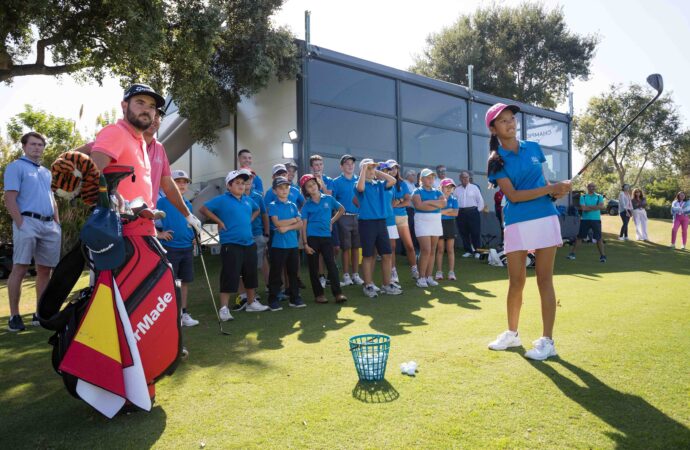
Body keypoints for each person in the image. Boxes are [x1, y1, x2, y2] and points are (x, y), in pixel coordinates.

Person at [484, 102, 571, 361]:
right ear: (493, 129)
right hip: (516, 221)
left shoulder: (533, 148)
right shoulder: (495, 161)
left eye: (512, 118)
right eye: (503, 121)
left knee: (545, 279)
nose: (510, 123)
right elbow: (513, 195)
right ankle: (512, 334)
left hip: (545, 217)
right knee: (516, 281)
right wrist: (549, 189)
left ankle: (547, 341)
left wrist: (556, 190)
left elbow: (542, 182)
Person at [4, 132, 61, 332]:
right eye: (33, 144)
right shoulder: (15, 167)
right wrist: (21, 224)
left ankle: (40, 314)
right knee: (20, 267)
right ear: (24, 146)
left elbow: (52, 199)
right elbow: (9, 199)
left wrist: (57, 223)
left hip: (49, 226)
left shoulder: (46, 172)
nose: (37, 147)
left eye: (40, 144)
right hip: (27, 222)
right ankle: (14, 316)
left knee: (46, 270)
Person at [199, 169, 269, 321]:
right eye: (237, 183)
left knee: (250, 274)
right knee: (230, 276)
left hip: (249, 243)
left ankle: (251, 303)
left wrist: (250, 219)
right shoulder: (222, 199)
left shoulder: (248, 200)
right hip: (230, 244)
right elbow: (203, 209)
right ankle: (224, 309)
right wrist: (218, 221)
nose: (241, 186)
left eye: (243, 183)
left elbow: (257, 210)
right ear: (228, 186)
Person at [156, 170, 199, 327]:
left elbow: (189, 224)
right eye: (178, 181)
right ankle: (171, 315)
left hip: (187, 248)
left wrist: (194, 236)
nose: (181, 184)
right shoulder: (162, 202)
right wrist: (159, 233)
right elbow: (148, 221)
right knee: (171, 283)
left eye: (184, 182)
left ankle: (183, 313)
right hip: (171, 248)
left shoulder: (188, 204)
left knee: (184, 282)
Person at [355, 159, 402, 297]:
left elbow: (392, 180)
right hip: (366, 224)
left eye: (372, 168)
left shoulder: (380, 184)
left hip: (381, 223)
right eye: (368, 168)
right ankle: (368, 285)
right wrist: (364, 169)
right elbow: (361, 188)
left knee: (387, 254)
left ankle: (386, 284)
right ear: (362, 171)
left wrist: (375, 170)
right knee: (368, 255)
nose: (371, 171)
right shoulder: (358, 184)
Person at [300, 174, 347, 303]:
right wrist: (305, 244)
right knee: (313, 268)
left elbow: (342, 209)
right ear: (306, 191)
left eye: (314, 184)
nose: (312, 187)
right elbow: (303, 226)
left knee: (331, 265)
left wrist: (331, 222)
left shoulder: (329, 199)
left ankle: (338, 294)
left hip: (326, 237)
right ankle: (319, 295)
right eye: (309, 186)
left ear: (318, 184)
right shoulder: (306, 206)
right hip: (312, 239)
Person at [266, 176, 306, 310]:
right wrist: (294, 220)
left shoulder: (293, 205)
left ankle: (295, 298)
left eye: (286, 187)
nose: (284, 190)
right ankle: (273, 299)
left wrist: (287, 227)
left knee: (293, 273)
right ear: (274, 190)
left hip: (292, 245)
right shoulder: (272, 205)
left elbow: (300, 224)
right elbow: (277, 223)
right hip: (278, 246)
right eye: (280, 188)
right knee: (276, 273)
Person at [233, 171, 270, 311]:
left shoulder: (257, 196)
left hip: (257, 234)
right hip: (240, 236)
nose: (246, 182)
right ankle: (244, 295)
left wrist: (266, 233)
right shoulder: (234, 197)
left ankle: (265, 288)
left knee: (259, 264)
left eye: (249, 179)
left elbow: (264, 214)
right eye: (243, 180)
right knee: (242, 267)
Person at [331, 154, 364, 286]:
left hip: (358, 217)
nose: (350, 166)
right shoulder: (336, 181)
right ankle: (346, 275)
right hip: (343, 217)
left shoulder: (359, 180)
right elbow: (333, 201)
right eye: (347, 164)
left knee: (356, 247)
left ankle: (355, 274)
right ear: (341, 166)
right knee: (346, 248)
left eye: (352, 164)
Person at [412, 168, 446, 288]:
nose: (430, 179)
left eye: (432, 177)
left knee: (432, 249)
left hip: (435, 221)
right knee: (425, 249)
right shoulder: (417, 191)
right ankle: (421, 278)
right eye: (427, 177)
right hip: (422, 221)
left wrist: (427, 203)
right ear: (421, 179)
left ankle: (428, 276)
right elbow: (419, 206)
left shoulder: (438, 192)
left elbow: (443, 204)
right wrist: (435, 204)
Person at [385, 160, 417, 282]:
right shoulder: (383, 183)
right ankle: (393, 272)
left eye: (395, 168)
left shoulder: (402, 183)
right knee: (392, 247)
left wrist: (397, 203)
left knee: (409, 246)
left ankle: (414, 269)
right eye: (391, 168)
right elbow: (388, 203)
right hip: (389, 218)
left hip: (402, 217)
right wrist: (400, 200)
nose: (393, 171)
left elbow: (408, 201)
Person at [567, 182, 607, 262]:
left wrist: (589, 207)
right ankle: (572, 254)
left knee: (599, 238)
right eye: (590, 186)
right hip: (585, 220)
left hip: (596, 220)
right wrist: (596, 207)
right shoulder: (583, 196)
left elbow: (602, 207)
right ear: (587, 187)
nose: (592, 188)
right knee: (580, 238)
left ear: (595, 187)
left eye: (593, 186)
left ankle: (602, 256)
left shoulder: (599, 196)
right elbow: (584, 208)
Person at [455, 170, 485, 258]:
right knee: (464, 232)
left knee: (475, 232)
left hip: (473, 212)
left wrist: (477, 211)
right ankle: (468, 250)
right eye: (463, 177)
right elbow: (455, 201)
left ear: (469, 178)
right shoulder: (457, 189)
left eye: (467, 177)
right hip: (461, 213)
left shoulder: (474, 188)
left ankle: (477, 251)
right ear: (460, 178)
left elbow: (480, 200)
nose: (465, 179)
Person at [436, 178, 459, 280]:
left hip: (450, 224)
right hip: (439, 223)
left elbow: (456, 213)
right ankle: (439, 272)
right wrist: (448, 210)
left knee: (450, 249)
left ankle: (451, 272)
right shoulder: (437, 198)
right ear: (441, 188)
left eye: (451, 187)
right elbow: (437, 212)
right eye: (447, 187)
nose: (449, 189)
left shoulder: (454, 199)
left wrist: (443, 211)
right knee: (440, 249)